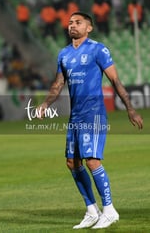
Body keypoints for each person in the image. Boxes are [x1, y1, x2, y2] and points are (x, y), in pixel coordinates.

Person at [37, 12, 143, 229]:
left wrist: (130, 109)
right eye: (70, 23)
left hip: (93, 113)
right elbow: (58, 85)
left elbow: (115, 80)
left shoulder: (98, 49)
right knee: (72, 163)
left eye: (78, 22)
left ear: (89, 28)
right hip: (75, 116)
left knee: (92, 160)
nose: (72, 26)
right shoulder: (64, 54)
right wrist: (46, 104)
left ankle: (110, 210)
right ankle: (92, 210)